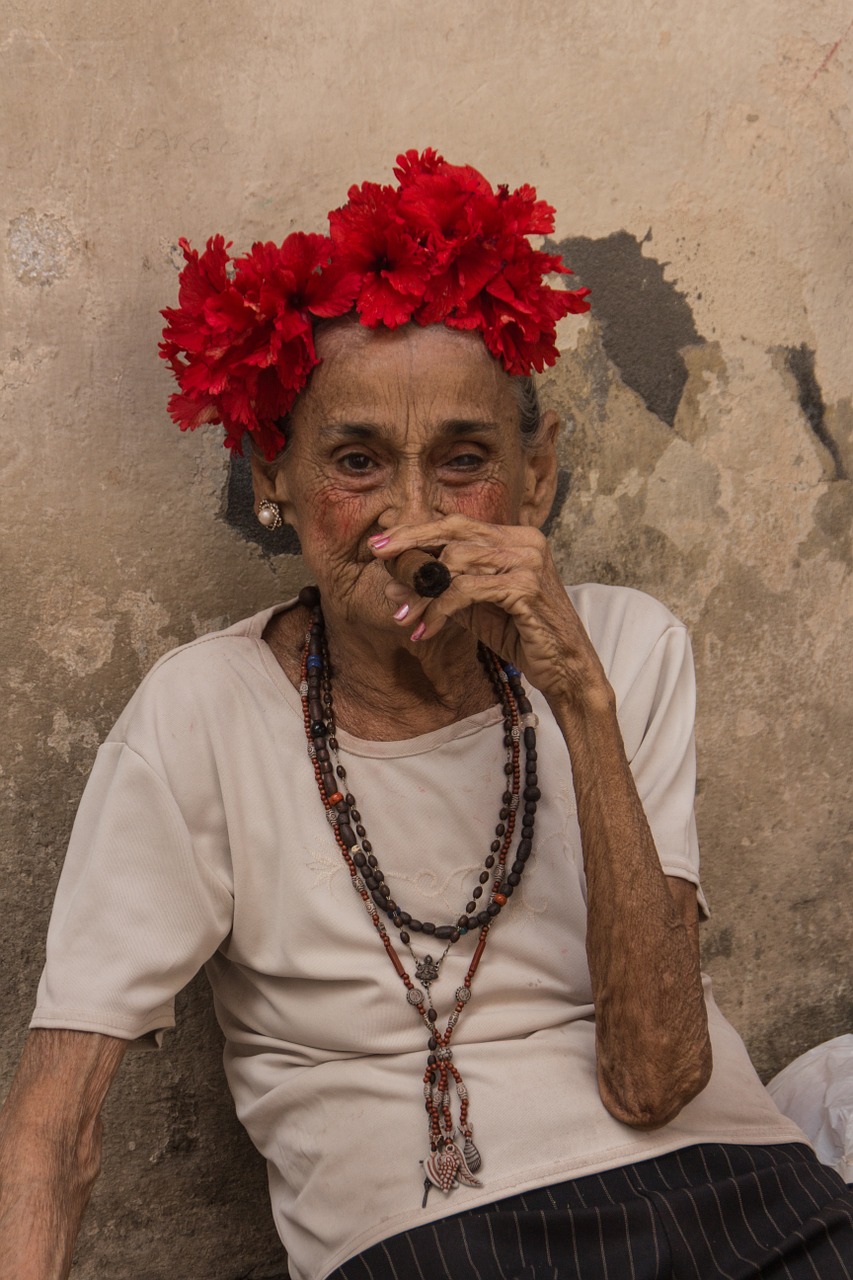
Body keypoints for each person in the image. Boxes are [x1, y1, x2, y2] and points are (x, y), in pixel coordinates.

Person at [0, 150, 851, 1280]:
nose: (410, 517)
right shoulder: (202, 711)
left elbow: (654, 1076)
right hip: (428, 1244)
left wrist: (581, 705)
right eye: (356, 461)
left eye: (464, 462)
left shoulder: (624, 648)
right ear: (275, 478)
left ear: (536, 478)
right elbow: (55, 1125)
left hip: (731, 1198)